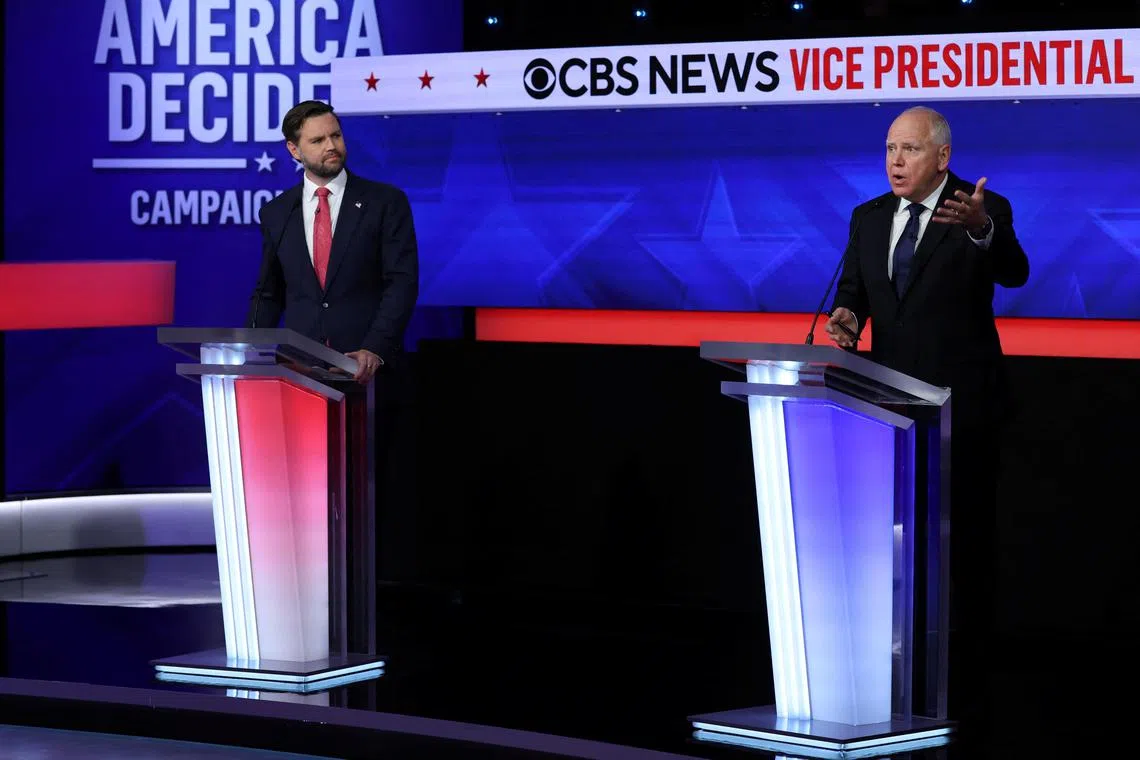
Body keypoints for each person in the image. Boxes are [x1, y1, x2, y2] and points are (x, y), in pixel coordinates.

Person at [824, 105, 1029, 724]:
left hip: (962, 408)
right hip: (888, 409)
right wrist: (846, 319)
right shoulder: (868, 218)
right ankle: (900, 654)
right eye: (890, 148)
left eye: (910, 149)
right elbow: (856, 292)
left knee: (963, 542)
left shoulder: (979, 208)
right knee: (899, 539)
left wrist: (980, 231)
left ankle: (968, 673)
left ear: (942, 156)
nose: (895, 160)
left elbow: (1014, 272)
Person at [247, 100, 419, 580]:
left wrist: (376, 347)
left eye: (336, 136)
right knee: (307, 489)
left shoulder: (385, 202)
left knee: (368, 491)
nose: (332, 147)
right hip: (300, 376)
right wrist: (253, 353)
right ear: (294, 150)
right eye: (319, 140)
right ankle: (309, 579)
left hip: (366, 373)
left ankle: (372, 586)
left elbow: (401, 283)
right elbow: (268, 290)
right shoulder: (277, 212)